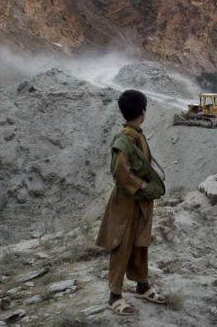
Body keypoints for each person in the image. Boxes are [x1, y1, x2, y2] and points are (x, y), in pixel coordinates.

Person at [96, 89, 166, 316]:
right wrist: (144, 187)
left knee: (140, 242)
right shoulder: (124, 139)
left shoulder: (136, 133)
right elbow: (120, 172)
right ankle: (114, 295)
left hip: (139, 203)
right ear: (142, 112)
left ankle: (142, 285)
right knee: (122, 244)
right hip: (126, 202)